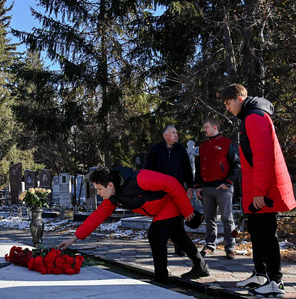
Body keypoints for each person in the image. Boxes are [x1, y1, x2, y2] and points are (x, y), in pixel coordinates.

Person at [58, 166, 210, 284]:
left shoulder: (139, 178)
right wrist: (73, 239)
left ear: (110, 185)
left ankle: (161, 280)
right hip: (160, 210)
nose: (98, 193)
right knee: (179, 236)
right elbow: (96, 217)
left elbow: (172, 183)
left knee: (156, 235)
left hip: (169, 203)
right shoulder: (113, 196)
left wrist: (187, 210)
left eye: (99, 189)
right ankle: (200, 267)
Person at [221, 83, 296, 297]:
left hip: (263, 191)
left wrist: (260, 192)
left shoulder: (254, 117)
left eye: (229, 103)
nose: (227, 108)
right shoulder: (250, 117)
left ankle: (276, 282)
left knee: (266, 234)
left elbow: (263, 158)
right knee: (256, 231)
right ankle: (260, 274)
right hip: (257, 188)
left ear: (240, 98)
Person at [145, 125, 194, 256]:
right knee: (161, 218)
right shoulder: (155, 149)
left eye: (177, 132)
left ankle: (180, 248)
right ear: (165, 136)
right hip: (160, 191)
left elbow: (187, 168)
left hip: (177, 190)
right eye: (173, 133)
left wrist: (190, 185)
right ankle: (161, 246)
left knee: (178, 218)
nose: (176, 135)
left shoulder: (181, 150)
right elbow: (148, 170)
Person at [195, 119, 240, 259]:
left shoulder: (227, 143)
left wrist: (228, 182)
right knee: (209, 218)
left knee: (227, 218)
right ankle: (210, 245)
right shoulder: (202, 147)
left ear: (215, 127)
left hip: (223, 187)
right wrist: (197, 186)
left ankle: (230, 246)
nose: (204, 130)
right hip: (206, 188)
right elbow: (198, 167)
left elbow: (237, 164)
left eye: (206, 127)